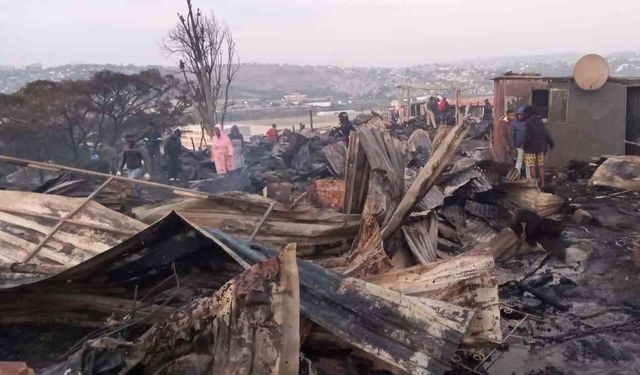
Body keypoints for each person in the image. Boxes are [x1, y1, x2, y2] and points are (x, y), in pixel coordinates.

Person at [523, 106, 554, 188]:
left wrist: (524, 146)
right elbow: (547, 133)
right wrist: (551, 144)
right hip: (541, 148)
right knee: (541, 166)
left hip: (530, 149)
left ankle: (535, 185)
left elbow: (528, 137)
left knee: (532, 167)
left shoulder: (528, 123)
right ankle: (543, 184)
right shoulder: (541, 122)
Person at [512, 107, 528, 177]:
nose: (520, 116)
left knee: (528, 162)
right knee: (519, 161)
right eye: (519, 115)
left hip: (527, 146)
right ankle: (517, 176)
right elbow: (513, 135)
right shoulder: (514, 123)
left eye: (522, 115)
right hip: (519, 146)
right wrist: (514, 146)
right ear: (517, 115)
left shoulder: (527, 122)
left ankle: (528, 177)